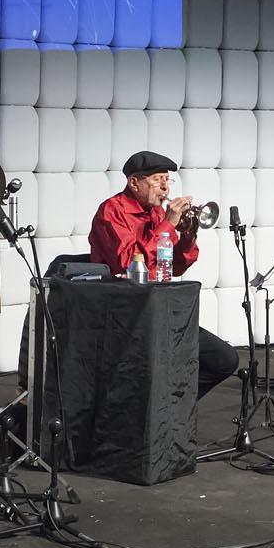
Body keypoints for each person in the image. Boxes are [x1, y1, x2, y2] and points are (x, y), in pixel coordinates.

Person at [87, 151, 240, 396]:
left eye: (167, 180)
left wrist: (188, 235)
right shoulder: (111, 212)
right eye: (158, 180)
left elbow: (176, 266)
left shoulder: (157, 213)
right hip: (126, 317)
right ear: (134, 182)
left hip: (160, 309)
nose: (165, 188)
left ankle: (173, 407)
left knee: (225, 359)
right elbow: (130, 263)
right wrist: (167, 224)